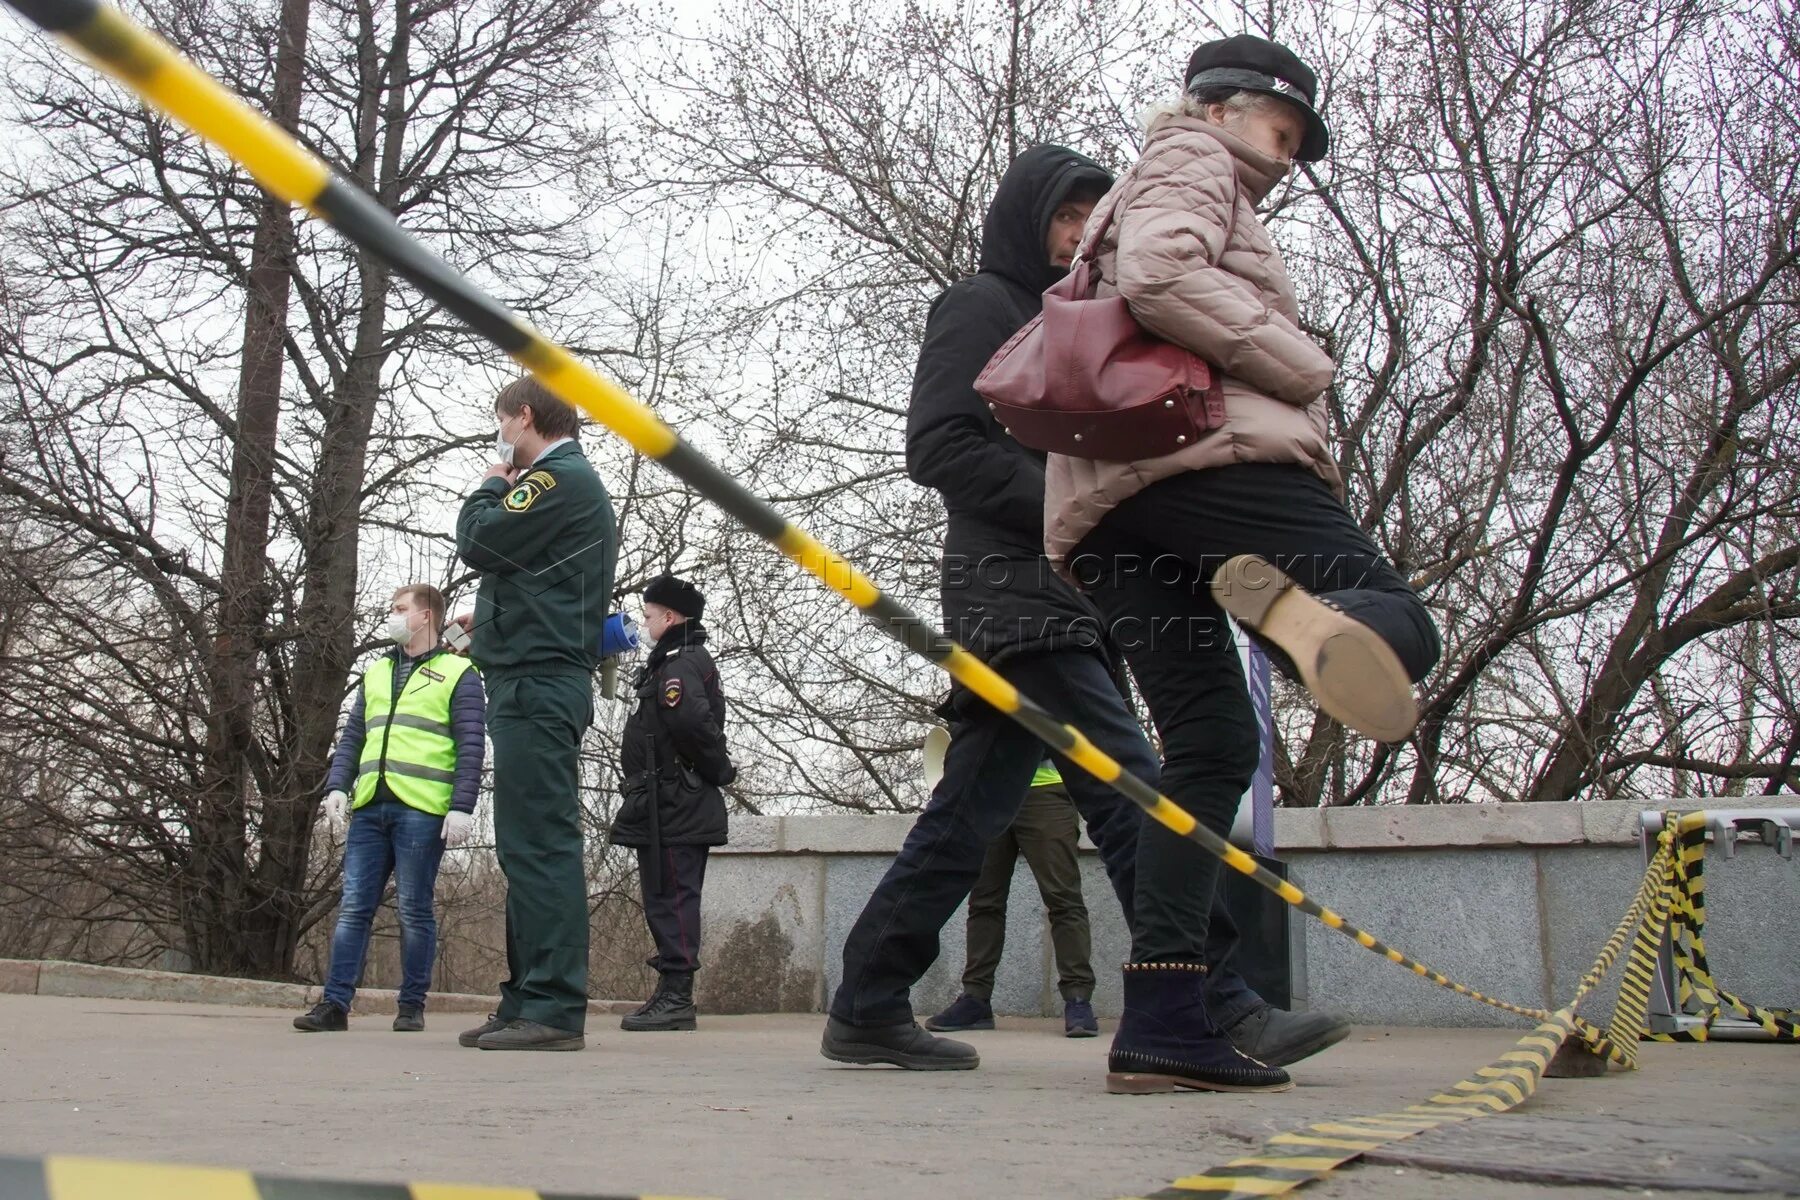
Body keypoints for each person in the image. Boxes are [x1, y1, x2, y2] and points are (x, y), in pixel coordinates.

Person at [820, 143, 1346, 1086]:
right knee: (1134, 788)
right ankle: (1216, 996)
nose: (1078, 236)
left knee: (967, 816)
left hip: (1081, 600)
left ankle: (866, 1002)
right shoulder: (979, 304)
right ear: (1031, 219)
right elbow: (938, 446)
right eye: (1066, 217)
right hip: (1015, 597)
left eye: (1091, 219)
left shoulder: (1087, 319)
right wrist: (1069, 512)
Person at [1044, 35, 1442, 1094]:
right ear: (1224, 106)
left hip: (1115, 513)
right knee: (1404, 618)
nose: (1292, 147)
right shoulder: (1192, 160)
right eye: (1285, 124)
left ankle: (1169, 1020)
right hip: (1200, 459)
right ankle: (1312, 622)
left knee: (1210, 747)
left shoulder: (1152, 180)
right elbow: (1162, 273)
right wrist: (1300, 363)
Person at [453, 377, 617, 1051]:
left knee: (541, 843)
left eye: (502, 424)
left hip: (539, 680)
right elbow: (532, 572)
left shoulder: (557, 478)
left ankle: (552, 1006)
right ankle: (525, 997)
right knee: (525, 845)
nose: (501, 437)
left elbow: (482, 542)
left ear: (524, 416)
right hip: (530, 673)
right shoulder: (564, 485)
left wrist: (492, 481)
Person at [295, 583, 484, 1033]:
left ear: (425, 617)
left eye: (400, 609)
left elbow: (472, 744)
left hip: (422, 809)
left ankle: (411, 1005)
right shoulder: (377, 671)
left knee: (414, 909)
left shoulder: (461, 673)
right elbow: (354, 734)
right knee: (354, 906)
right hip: (371, 804)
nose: (393, 616)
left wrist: (462, 806)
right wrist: (337, 785)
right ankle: (335, 1004)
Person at [610, 573, 736, 1032]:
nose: (644, 624)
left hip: (676, 801)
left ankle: (677, 996)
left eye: (647, 617)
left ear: (669, 616)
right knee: (664, 894)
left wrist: (718, 771)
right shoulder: (673, 661)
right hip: (665, 801)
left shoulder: (680, 664)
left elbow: (692, 724)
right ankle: (670, 991)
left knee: (673, 895)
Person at [926, 760, 1099, 1037]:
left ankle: (1078, 999)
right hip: (987, 792)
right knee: (983, 902)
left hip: (1046, 789)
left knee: (1063, 898)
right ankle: (975, 998)